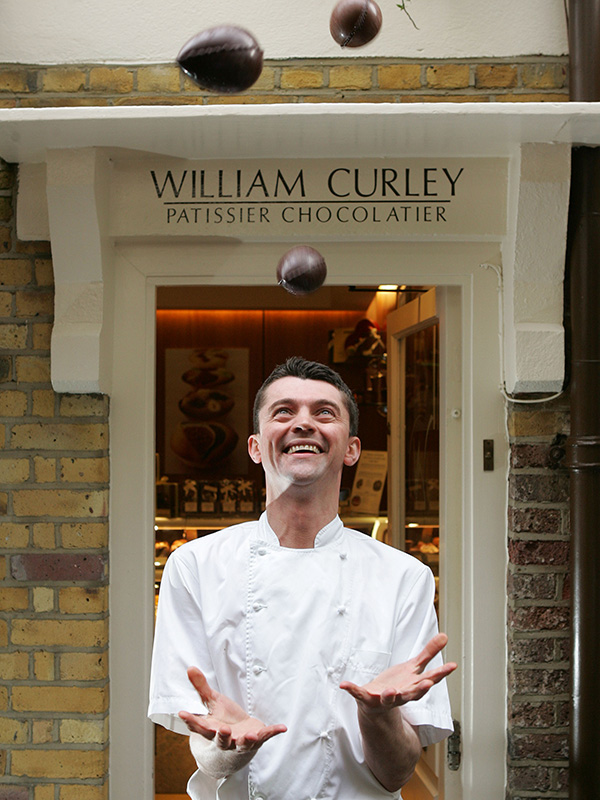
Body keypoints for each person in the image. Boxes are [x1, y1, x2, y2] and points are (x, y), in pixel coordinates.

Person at [149, 356, 456, 800]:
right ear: (256, 447)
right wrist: (229, 747)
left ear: (351, 449)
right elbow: (210, 761)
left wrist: (376, 716)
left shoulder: (404, 578)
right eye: (284, 411)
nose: (303, 423)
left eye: (324, 412)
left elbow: (397, 774)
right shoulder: (195, 566)